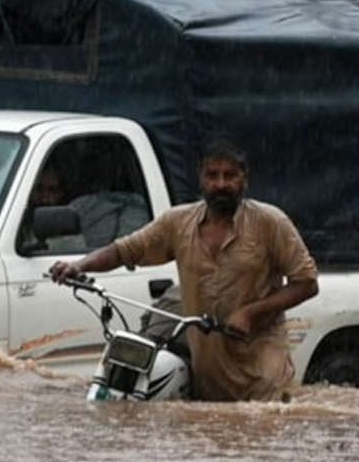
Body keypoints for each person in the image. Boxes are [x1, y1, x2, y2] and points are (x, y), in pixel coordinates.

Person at [48, 138, 319, 402]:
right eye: (212, 175)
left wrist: (250, 312)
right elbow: (125, 250)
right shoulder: (178, 223)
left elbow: (307, 282)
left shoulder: (270, 222)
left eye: (230, 175)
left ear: (244, 178)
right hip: (210, 378)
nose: (221, 184)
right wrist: (79, 266)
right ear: (200, 178)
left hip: (262, 378)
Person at [21, 164, 86, 254]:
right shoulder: (16, 225)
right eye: (39, 189)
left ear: (60, 194)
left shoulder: (70, 235)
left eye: (52, 191)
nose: (44, 198)